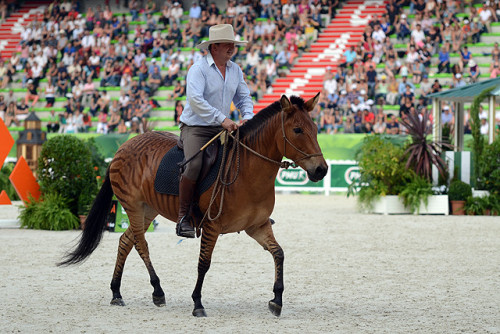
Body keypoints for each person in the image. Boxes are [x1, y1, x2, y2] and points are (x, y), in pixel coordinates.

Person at [176, 24, 254, 238]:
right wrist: (223, 119)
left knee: (247, 158)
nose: (231, 48)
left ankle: (251, 212)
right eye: (227, 44)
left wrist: (248, 117)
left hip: (223, 126)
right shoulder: (198, 69)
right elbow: (195, 101)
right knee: (193, 165)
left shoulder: (235, 70)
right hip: (196, 128)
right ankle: (184, 217)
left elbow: (244, 97)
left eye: (233, 44)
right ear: (214, 47)